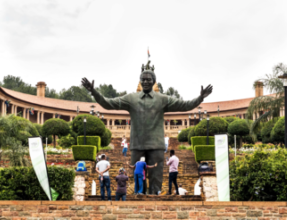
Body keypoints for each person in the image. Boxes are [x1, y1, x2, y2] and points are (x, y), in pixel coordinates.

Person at [82, 67, 213, 194]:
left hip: (156, 145)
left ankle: (155, 202)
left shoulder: (162, 99)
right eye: (143, 79)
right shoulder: (131, 99)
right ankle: (139, 201)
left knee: (156, 181)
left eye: (148, 79)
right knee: (137, 178)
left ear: (154, 81)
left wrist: (200, 98)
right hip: (137, 144)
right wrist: (94, 92)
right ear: (140, 81)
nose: (145, 82)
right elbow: (108, 103)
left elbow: (185, 105)